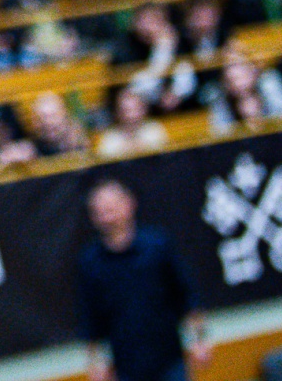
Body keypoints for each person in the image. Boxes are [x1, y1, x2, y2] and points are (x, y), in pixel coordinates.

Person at [77, 181, 209, 381]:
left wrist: (199, 340)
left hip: (170, 360)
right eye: (101, 212)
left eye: (112, 209)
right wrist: (95, 363)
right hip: (126, 367)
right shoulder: (89, 261)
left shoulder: (158, 244)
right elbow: (89, 318)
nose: (108, 218)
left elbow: (186, 295)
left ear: (129, 204)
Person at [95, 86, 168, 158]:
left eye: (137, 109)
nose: (133, 116)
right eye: (127, 110)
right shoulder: (109, 139)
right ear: (117, 113)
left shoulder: (154, 130)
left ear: (144, 110)